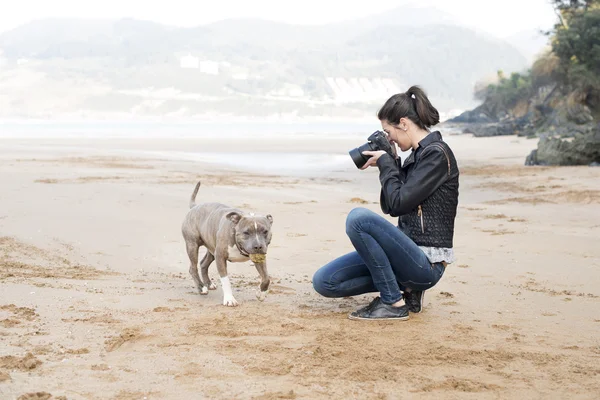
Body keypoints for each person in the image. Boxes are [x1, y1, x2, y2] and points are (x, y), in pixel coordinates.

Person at [312, 85, 460, 321]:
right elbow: (391, 206)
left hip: (426, 265)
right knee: (325, 282)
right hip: (405, 256)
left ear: (403, 123)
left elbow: (399, 203)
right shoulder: (416, 156)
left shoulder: (436, 155)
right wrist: (390, 162)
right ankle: (408, 291)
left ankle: (392, 301)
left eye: (387, 131)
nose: (388, 138)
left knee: (358, 219)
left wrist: (387, 166)